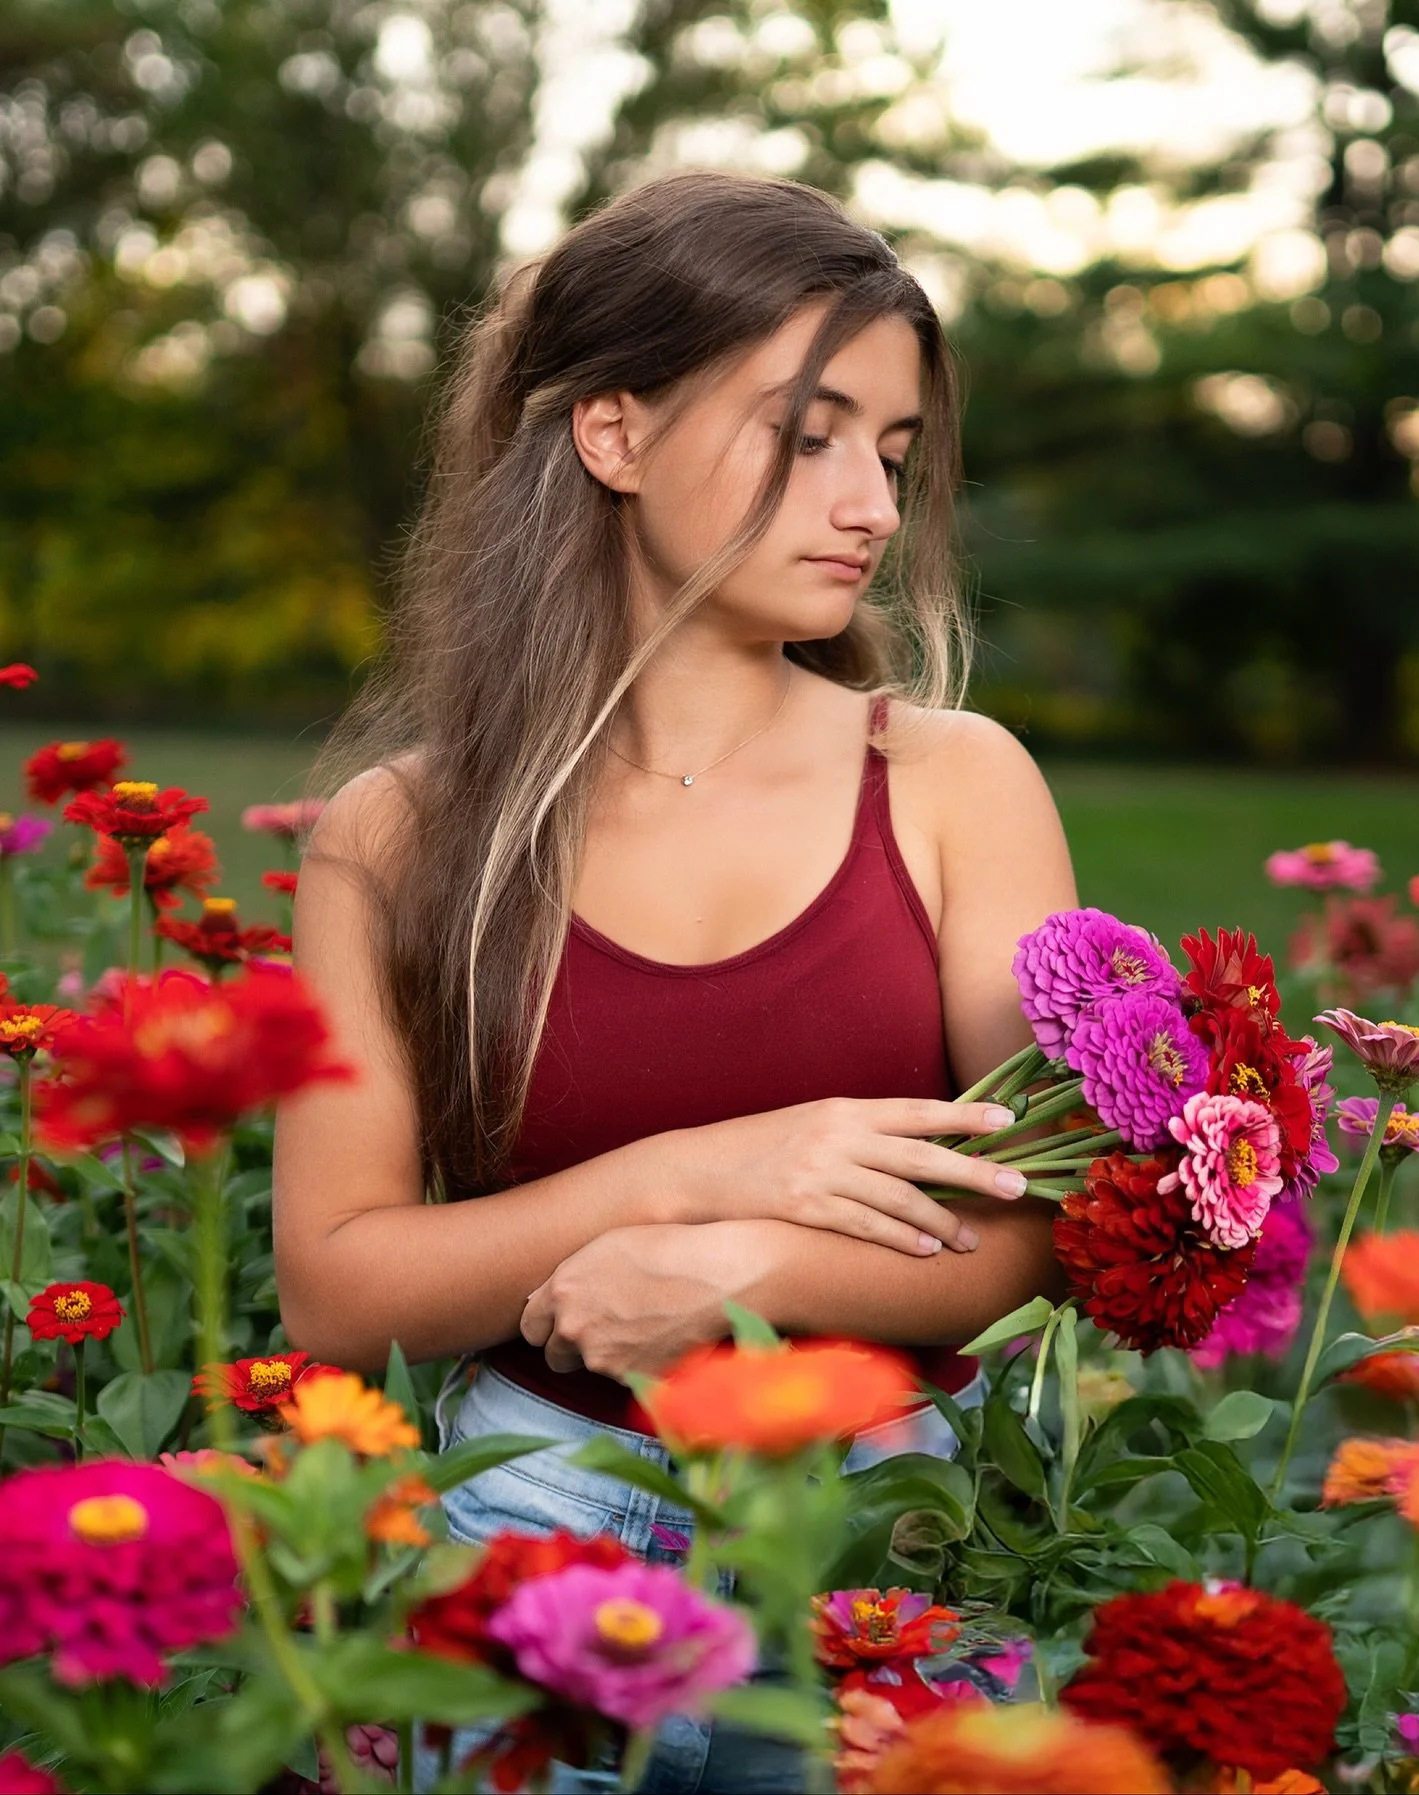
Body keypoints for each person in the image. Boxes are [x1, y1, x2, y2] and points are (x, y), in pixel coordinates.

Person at [273, 169, 1076, 1792]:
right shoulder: (398, 835)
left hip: (875, 1556)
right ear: (613, 434)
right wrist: (687, 1175)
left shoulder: (953, 783)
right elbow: (337, 1286)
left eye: (896, 454)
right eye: (810, 433)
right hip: (530, 1530)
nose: (871, 502)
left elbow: (1032, 1224)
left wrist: (727, 1271)